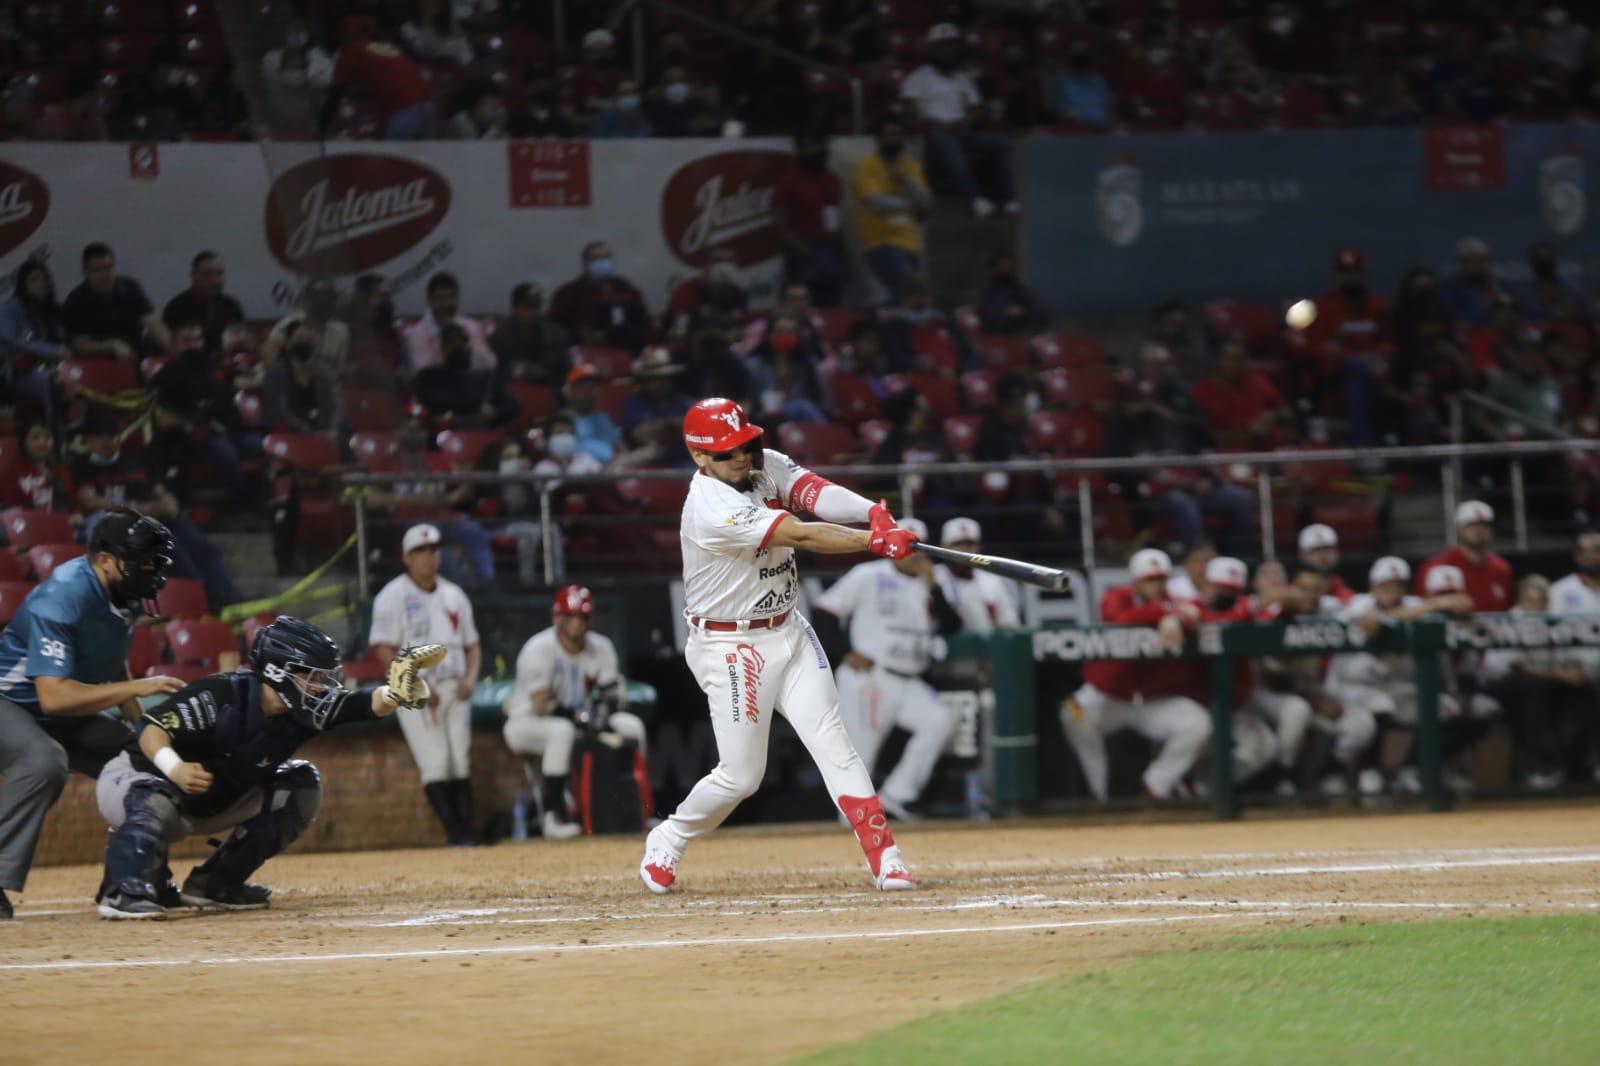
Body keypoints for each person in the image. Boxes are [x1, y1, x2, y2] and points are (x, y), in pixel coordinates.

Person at [638, 397, 920, 894]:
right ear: (700, 458)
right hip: (732, 646)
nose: (742, 458)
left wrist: (874, 514)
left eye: (746, 445)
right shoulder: (712, 508)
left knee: (834, 740)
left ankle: (887, 857)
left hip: (788, 628)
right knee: (741, 776)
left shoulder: (762, 465)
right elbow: (801, 534)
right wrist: (870, 542)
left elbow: (811, 492)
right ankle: (670, 835)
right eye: (727, 453)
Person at [93, 619, 437, 918]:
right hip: (134, 781)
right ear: (277, 672)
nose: (319, 686)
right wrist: (176, 768)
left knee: (300, 785)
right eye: (310, 676)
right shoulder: (221, 694)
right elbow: (149, 729)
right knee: (156, 797)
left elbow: (361, 704)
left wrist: (395, 693)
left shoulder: (302, 710)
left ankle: (216, 884)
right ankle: (123, 890)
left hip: (208, 800)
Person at [0, 512, 184, 918]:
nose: (152, 570)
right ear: (105, 559)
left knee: (142, 758)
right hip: (10, 702)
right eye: (143, 561)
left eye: (156, 561)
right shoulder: (63, 596)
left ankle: (133, 878)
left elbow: (112, 662)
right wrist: (138, 689)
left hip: (65, 706)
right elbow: (53, 698)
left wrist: (141, 727)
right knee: (44, 761)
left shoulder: (125, 593)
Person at [814, 518, 962, 820]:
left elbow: (952, 625)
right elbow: (824, 610)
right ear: (891, 548)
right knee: (862, 751)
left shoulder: (936, 580)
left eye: (916, 546)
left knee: (940, 721)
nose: (912, 554)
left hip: (910, 678)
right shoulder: (868, 574)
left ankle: (897, 795)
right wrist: (843, 653)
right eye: (906, 546)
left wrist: (933, 585)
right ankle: (852, 822)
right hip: (870, 677)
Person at [1058, 549, 1211, 802]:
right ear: (1136, 581)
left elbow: (1198, 612)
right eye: (1151, 580)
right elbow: (1120, 617)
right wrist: (1167, 612)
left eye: (1162, 579)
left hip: (1152, 701)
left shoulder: (1176, 602)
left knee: (1199, 722)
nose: (1158, 585)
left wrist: (1178, 618)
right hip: (1107, 696)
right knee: (1070, 712)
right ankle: (1099, 792)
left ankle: (1155, 787)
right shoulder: (1116, 596)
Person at [368, 524, 483, 846]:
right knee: (435, 762)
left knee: (459, 759)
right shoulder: (392, 596)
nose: (429, 557)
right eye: (421, 551)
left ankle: (467, 834)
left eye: (434, 549)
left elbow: (473, 645)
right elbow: (383, 649)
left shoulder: (454, 595)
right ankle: (454, 833)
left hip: (455, 685)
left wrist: (471, 678)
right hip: (417, 690)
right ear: (406, 558)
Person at [504, 585, 649, 840]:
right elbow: (541, 704)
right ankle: (554, 816)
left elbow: (614, 693)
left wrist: (603, 713)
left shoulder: (601, 646)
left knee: (631, 726)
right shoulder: (538, 648)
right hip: (526, 722)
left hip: (580, 719)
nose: (576, 623)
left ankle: (640, 809)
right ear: (556, 618)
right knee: (562, 731)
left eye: (582, 616)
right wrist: (584, 718)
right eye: (569, 616)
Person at [1328, 558, 1477, 793]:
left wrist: (1436, 604)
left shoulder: (1413, 603)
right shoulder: (1359, 604)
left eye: (1398, 585)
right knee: (1372, 715)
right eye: (1385, 586)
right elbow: (1371, 623)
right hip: (1352, 688)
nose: (1392, 591)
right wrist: (1430, 606)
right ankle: (1357, 770)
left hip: (1392, 687)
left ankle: (1411, 768)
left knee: (1443, 707)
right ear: (1373, 587)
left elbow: (1463, 603)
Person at [899, 23, 1017, 218]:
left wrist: (964, 123)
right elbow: (909, 112)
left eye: (952, 45)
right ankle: (975, 200)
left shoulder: (963, 78)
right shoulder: (918, 78)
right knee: (948, 144)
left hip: (963, 131)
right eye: (942, 45)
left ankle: (1011, 199)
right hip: (931, 134)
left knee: (1004, 143)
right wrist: (935, 123)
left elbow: (976, 109)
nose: (948, 51)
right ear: (932, 49)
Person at [850, 116, 931, 302]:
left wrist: (905, 180)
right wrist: (911, 204)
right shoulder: (866, 166)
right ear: (877, 139)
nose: (893, 140)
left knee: (911, 296)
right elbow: (877, 204)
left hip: (911, 242)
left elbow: (927, 201)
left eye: (897, 135)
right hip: (882, 241)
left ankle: (886, 325)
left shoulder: (909, 165)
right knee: (903, 291)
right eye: (888, 135)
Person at [321, 15, 436, 140]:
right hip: (428, 109)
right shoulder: (385, 48)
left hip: (403, 114)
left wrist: (320, 129)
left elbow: (334, 98)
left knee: (388, 157)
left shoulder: (351, 53)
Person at [62, 242, 170, 363]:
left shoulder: (129, 287)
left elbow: (152, 322)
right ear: (85, 273)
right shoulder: (76, 300)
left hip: (135, 349)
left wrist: (174, 350)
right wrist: (110, 346)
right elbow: (79, 345)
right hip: (100, 357)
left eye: (108, 268)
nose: (105, 275)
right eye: (97, 270)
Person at [773, 133, 848, 307]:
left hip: (832, 248)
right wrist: (804, 250)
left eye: (821, 149)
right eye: (813, 149)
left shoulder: (831, 179)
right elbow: (780, 223)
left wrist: (841, 249)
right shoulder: (789, 181)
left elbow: (835, 215)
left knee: (833, 303)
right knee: (802, 303)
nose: (819, 153)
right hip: (804, 250)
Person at [1189, 335, 1290, 450]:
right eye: (1230, 358)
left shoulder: (1258, 381)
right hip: (1230, 457)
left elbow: (1285, 411)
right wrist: (1250, 433)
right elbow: (1209, 438)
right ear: (1218, 360)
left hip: (1272, 452)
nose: (1235, 363)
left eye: (1240, 358)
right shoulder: (1201, 392)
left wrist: (1272, 416)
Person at [0, 259, 70, 422]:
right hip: (16, 374)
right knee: (47, 381)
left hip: (55, 367)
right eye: (35, 279)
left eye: (45, 278)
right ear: (23, 283)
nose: (41, 284)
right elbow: (14, 341)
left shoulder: (53, 309)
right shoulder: (11, 309)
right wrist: (52, 351)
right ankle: (55, 432)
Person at [548, 240, 650, 350]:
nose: (602, 263)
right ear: (585, 264)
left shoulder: (626, 289)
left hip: (628, 350)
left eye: (606, 258)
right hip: (587, 353)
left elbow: (644, 323)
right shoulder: (568, 294)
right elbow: (557, 331)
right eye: (595, 259)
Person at [1415, 500, 1514, 613]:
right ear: (1459, 529)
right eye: (1471, 525)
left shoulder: (1502, 568)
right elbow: (1419, 609)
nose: (1479, 530)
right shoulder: (1436, 566)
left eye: (1485, 525)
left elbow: (1508, 610)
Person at [413, 323, 518, 428]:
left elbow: (510, 406)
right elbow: (434, 405)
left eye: (464, 342)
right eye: (453, 342)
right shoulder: (430, 376)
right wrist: (469, 411)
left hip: (485, 427)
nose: (459, 346)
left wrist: (494, 413)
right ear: (443, 347)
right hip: (449, 428)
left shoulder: (486, 377)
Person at [932, 517, 1022, 632]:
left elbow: (1010, 626)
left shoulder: (992, 580)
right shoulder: (933, 576)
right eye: (958, 544)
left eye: (970, 544)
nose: (965, 550)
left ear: (979, 547)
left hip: (985, 647)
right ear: (943, 547)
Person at [402, 272, 496, 378]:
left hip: (470, 386)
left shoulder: (471, 327)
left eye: (450, 297)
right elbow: (422, 372)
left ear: (458, 299)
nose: (445, 304)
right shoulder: (417, 334)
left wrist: (465, 342)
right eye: (440, 299)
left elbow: (490, 364)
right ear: (429, 301)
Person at [260, 16, 333, 136]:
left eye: (300, 30)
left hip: (310, 118)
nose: (297, 34)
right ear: (284, 33)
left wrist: (307, 78)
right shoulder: (271, 57)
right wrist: (307, 78)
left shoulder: (318, 56)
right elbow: (276, 78)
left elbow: (329, 79)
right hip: (281, 115)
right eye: (293, 30)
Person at [261, 321, 339, 432]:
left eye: (309, 339)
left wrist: (331, 430)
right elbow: (278, 413)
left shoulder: (323, 373)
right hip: (287, 432)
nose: (306, 342)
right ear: (287, 344)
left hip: (321, 431)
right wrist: (309, 431)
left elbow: (333, 408)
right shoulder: (275, 372)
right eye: (300, 338)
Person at [489, 282, 572, 386]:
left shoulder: (556, 334)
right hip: (512, 391)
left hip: (550, 389)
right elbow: (495, 371)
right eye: (527, 307)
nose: (533, 312)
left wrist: (545, 372)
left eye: (536, 306)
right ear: (514, 309)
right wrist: (523, 372)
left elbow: (565, 367)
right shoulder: (501, 337)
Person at [261, 278, 348, 377]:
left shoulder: (341, 331)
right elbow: (270, 358)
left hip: (326, 385)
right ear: (306, 301)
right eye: (318, 298)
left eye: (329, 299)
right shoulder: (289, 324)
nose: (324, 303)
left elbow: (340, 368)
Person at [621, 347, 693, 464]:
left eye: (665, 378)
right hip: (647, 463)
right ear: (644, 382)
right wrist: (667, 427)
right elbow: (638, 435)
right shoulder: (635, 403)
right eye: (655, 379)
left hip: (683, 459)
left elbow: (694, 431)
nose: (662, 383)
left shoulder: (679, 401)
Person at [162, 251, 244, 353]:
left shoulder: (231, 305)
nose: (215, 280)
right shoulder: (177, 308)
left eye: (220, 273)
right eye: (207, 274)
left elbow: (240, 340)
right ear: (193, 276)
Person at [667, 246, 748, 324]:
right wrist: (698, 317)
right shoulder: (687, 292)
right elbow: (677, 332)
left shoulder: (737, 293)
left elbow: (745, 324)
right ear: (708, 271)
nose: (721, 292)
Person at [976, 249, 1048, 335]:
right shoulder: (989, 291)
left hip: (1019, 332)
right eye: (1003, 264)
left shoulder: (1016, 287)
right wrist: (1009, 312)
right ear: (995, 267)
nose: (1008, 268)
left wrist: (1024, 312)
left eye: (1010, 264)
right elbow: (992, 315)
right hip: (998, 335)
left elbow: (1037, 306)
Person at [1048, 38, 1115, 129]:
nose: (1080, 59)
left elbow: (1109, 109)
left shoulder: (1099, 82)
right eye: (1077, 53)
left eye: (1083, 54)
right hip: (1072, 133)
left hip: (1100, 132)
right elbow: (1057, 109)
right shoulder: (1060, 80)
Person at [1439, 237, 1506, 326]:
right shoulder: (1450, 286)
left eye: (1482, 259)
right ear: (1461, 261)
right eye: (1472, 259)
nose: (1478, 263)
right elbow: (1454, 315)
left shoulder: (1498, 283)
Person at [646, 66, 719, 137]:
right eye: (671, 82)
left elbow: (712, 126)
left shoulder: (698, 105)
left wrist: (704, 99)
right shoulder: (656, 108)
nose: (677, 87)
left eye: (681, 81)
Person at [1296, 523, 1355, 603]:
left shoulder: (1339, 584)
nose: (1323, 556)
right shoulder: (1292, 588)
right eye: (1316, 550)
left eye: (1328, 550)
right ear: (1302, 555)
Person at [588, 79, 654, 138]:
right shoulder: (604, 117)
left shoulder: (646, 117)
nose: (629, 97)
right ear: (616, 96)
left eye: (633, 92)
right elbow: (599, 139)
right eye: (624, 93)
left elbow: (647, 136)